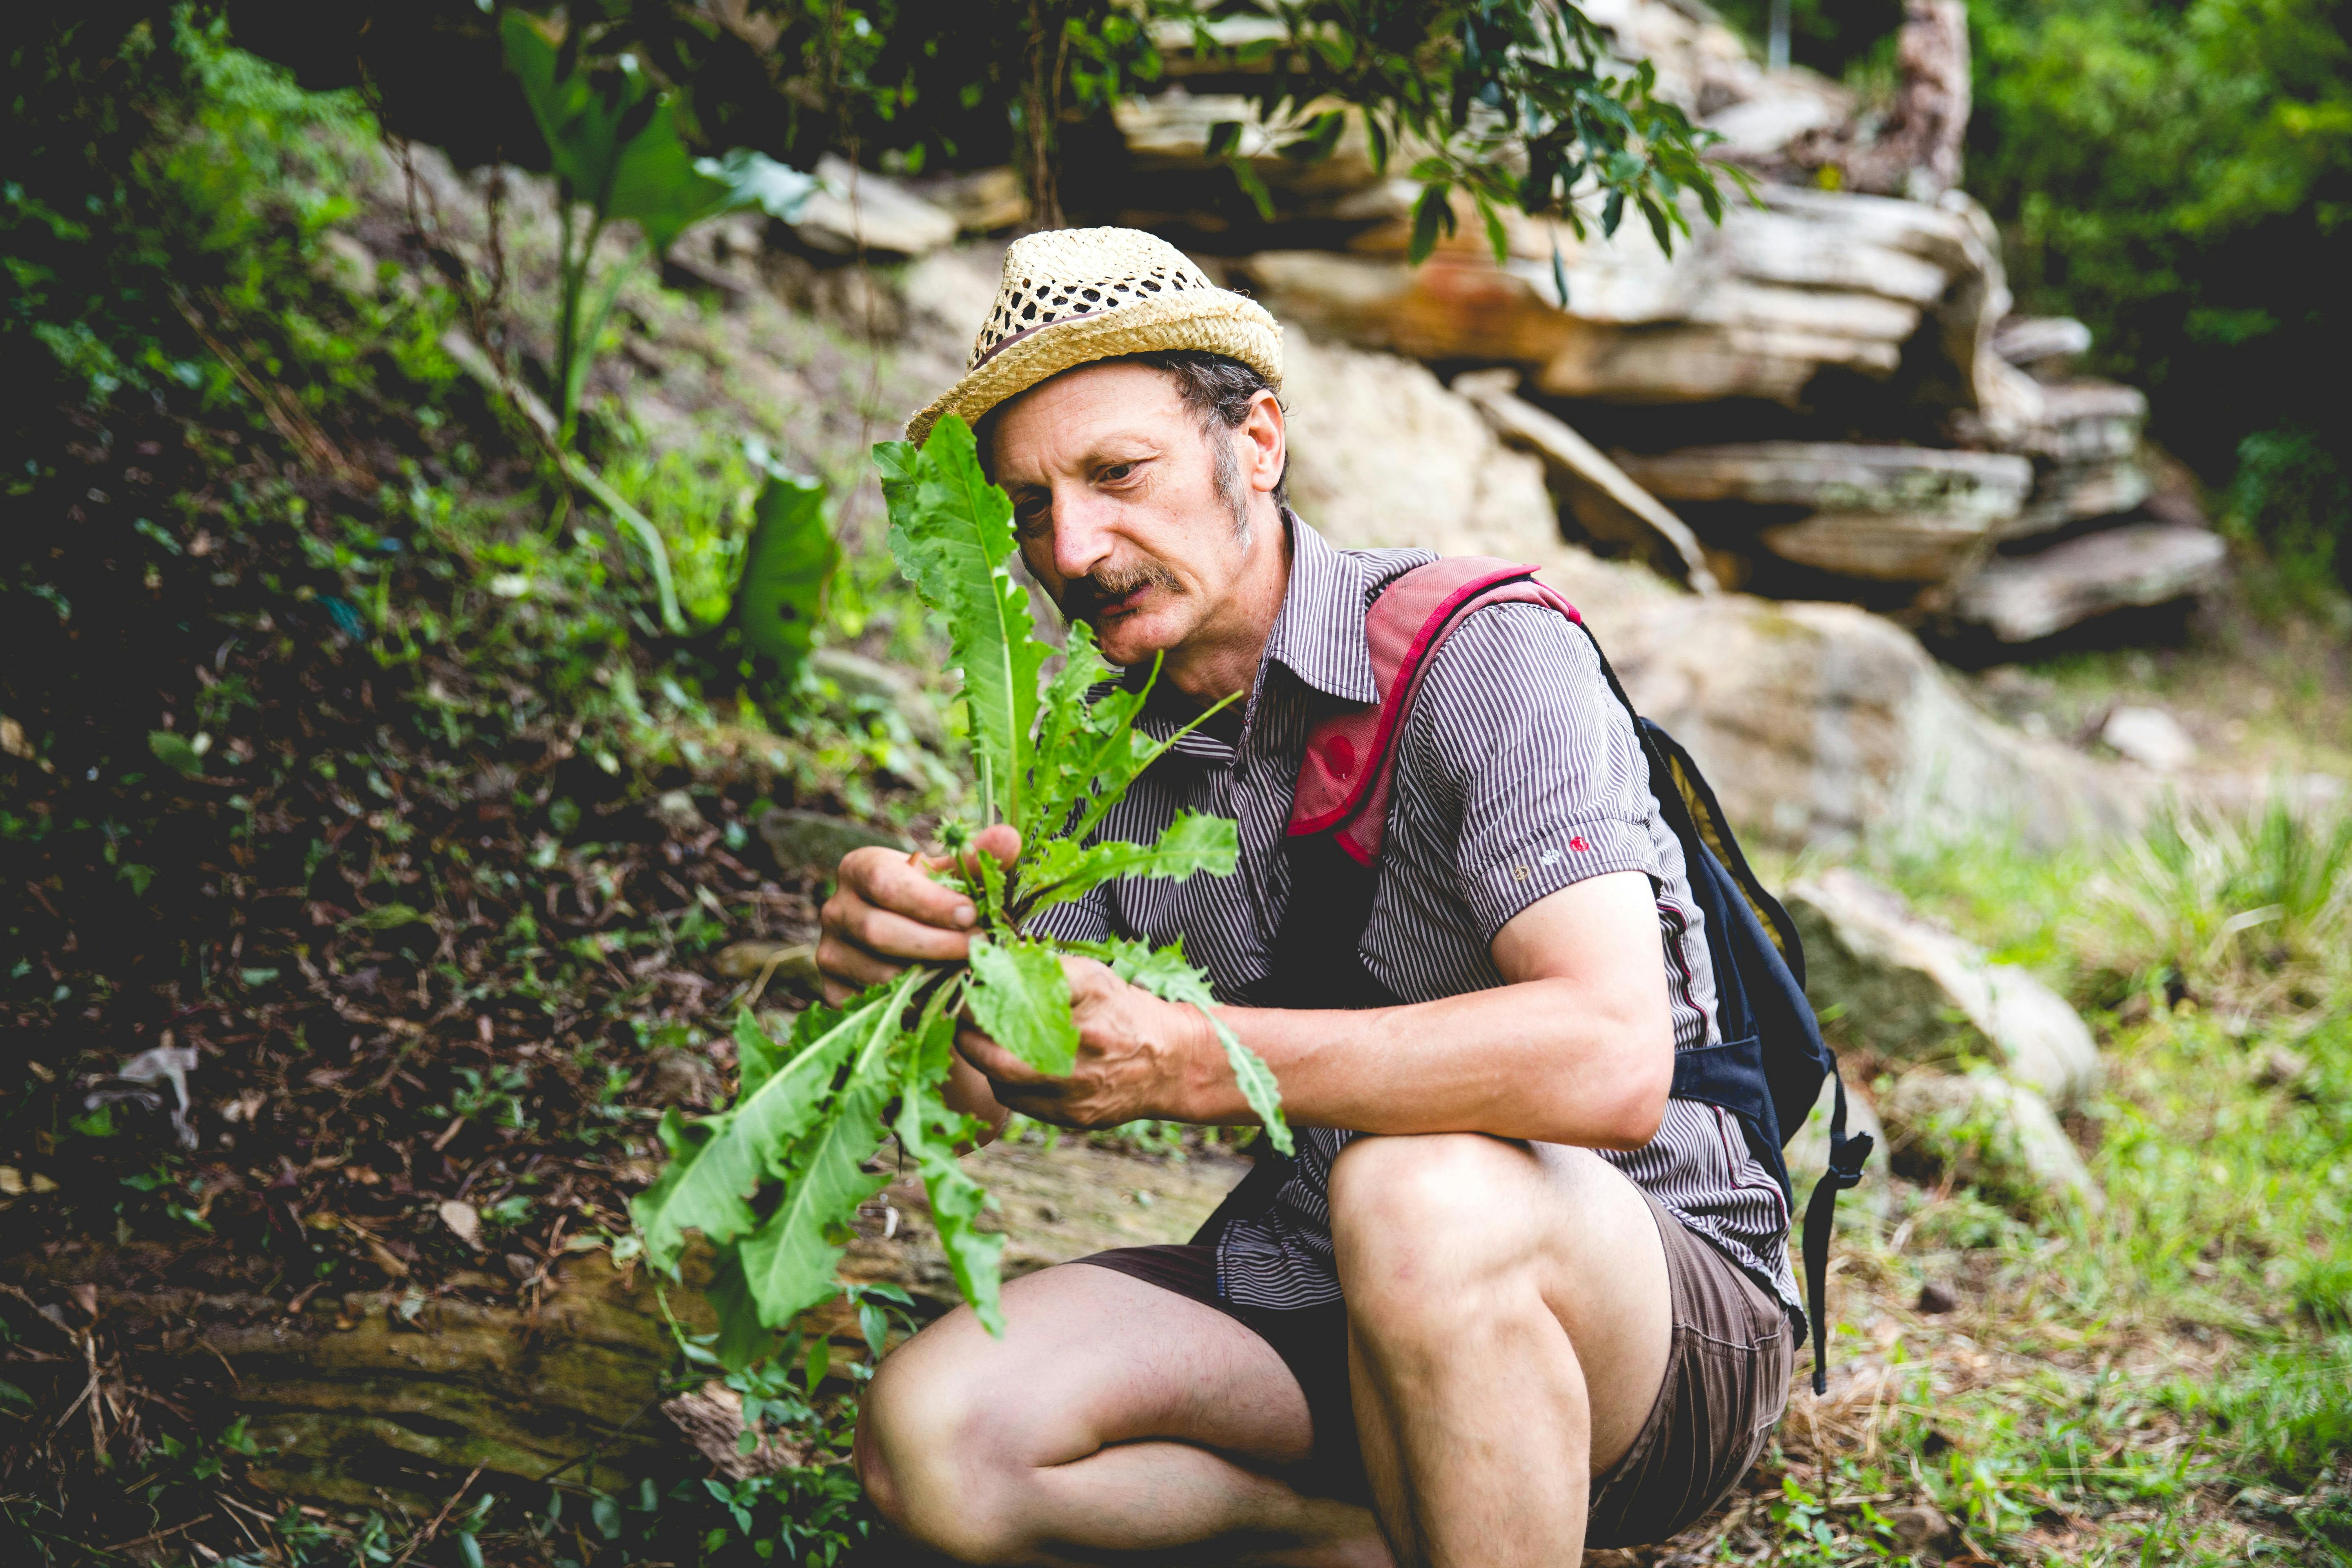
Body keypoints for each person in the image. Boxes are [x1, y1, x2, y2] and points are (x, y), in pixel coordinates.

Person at [818, 227, 1796, 1568]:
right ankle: (1372, 1537)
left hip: (1652, 1310)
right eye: (1033, 503)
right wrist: (931, 976)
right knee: (940, 1437)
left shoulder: (1488, 658)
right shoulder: (1106, 750)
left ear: (1256, 443)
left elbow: (1614, 1057)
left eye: (1117, 473)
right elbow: (989, 1102)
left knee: (1419, 1192)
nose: (1077, 545)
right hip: (1323, 1290)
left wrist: (1203, 1059)